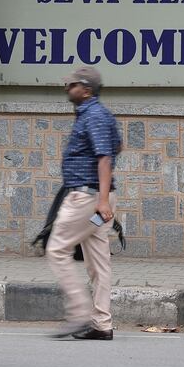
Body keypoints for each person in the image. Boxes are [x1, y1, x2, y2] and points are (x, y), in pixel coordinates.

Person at [47, 66, 121, 340]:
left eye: (72, 85)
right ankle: (101, 324)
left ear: (86, 90)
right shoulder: (96, 115)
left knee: (57, 249)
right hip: (95, 201)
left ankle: (78, 314)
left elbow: (105, 157)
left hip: (87, 200)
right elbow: (117, 147)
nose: (68, 88)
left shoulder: (95, 116)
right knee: (98, 262)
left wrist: (102, 201)